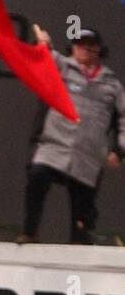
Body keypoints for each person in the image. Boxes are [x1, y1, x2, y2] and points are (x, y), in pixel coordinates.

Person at [19, 26, 125, 244]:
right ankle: (30, 231)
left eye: (91, 45)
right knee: (37, 176)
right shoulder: (62, 68)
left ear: (99, 50)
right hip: (55, 145)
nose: (85, 49)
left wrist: (120, 150)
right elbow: (44, 58)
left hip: (88, 155)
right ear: (73, 48)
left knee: (82, 213)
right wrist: (43, 44)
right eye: (80, 44)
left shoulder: (112, 85)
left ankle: (80, 245)